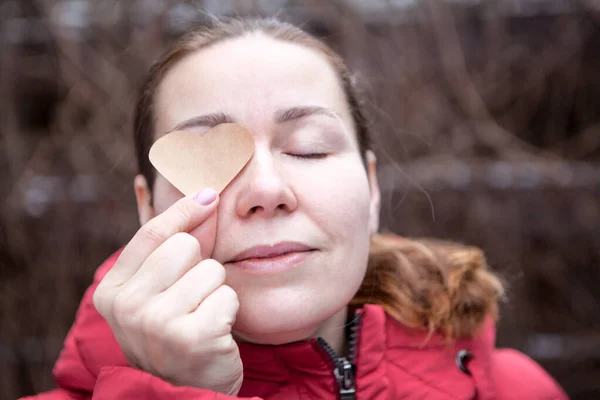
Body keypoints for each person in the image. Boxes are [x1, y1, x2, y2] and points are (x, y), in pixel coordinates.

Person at [22, 18, 568, 400]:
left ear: (372, 188)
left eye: (309, 147)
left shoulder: (518, 390)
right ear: (148, 210)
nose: (265, 187)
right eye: (212, 160)